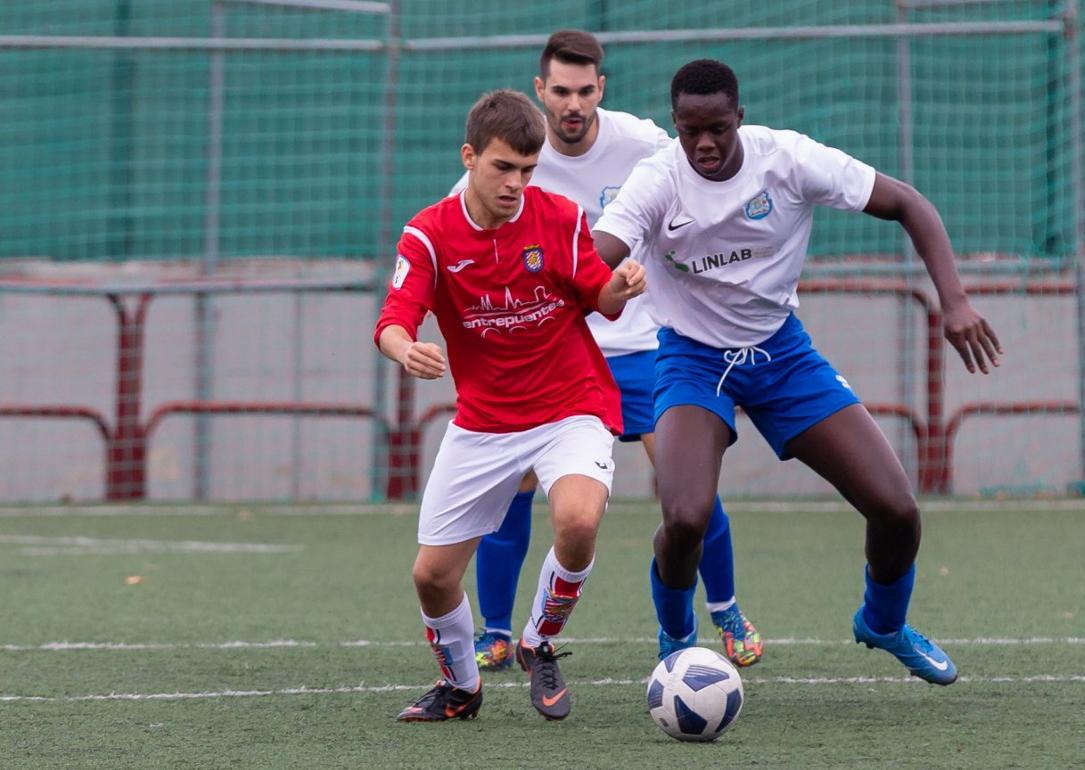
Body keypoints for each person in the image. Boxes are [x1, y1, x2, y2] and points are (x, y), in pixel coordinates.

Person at [592, 60, 1003, 685]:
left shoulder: (786, 160)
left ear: (741, 118)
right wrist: (603, 286)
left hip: (781, 356)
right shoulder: (656, 180)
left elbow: (909, 204)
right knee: (684, 519)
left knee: (896, 511)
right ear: (674, 124)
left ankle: (883, 623)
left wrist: (956, 301)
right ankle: (677, 641)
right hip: (691, 360)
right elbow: (597, 257)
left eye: (718, 129)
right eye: (690, 130)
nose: (704, 144)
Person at [457, 31, 765, 671]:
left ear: (602, 89)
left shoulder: (645, 145)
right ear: (540, 91)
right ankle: (493, 629)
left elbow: (702, 187)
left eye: (585, 91)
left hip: (643, 346)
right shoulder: (518, 155)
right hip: (554, 354)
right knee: (511, 484)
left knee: (688, 487)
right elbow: (469, 220)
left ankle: (726, 609)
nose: (573, 104)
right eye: (560, 91)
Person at [375, 89, 646, 722]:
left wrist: (620, 287)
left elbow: (598, 299)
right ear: (469, 157)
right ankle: (462, 689)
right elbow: (394, 317)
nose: (517, 183)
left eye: (528, 170)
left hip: (571, 404)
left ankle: (538, 641)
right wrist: (404, 348)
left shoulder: (561, 218)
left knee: (577, 521)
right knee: (432, 578)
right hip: (485, 422)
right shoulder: (430, 233)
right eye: (503, 168)